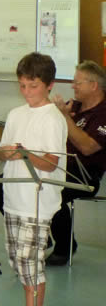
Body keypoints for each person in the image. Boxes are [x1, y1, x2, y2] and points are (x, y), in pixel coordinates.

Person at [0, 52, 66, 306]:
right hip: (13, 199)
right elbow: (1, 151)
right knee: (17, 261)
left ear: (49, 85)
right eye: (22, 85)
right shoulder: (16, 114)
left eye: (33, 86)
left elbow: (51, 162)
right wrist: (6, 152)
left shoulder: (53, 118)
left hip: (37, 202)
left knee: (30, 264)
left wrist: (25, 154)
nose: (26, 92)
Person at [46, 60, 106, 265]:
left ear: (94, 85)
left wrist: (65, 117)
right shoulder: (75, 106)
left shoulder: (103, 113)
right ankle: (41, 237)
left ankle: (65, 247)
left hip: (85, 175)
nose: (73, 86)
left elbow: (88, 147)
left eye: (77, 83)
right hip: (59, 166)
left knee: (52, 192)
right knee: (3, 185)